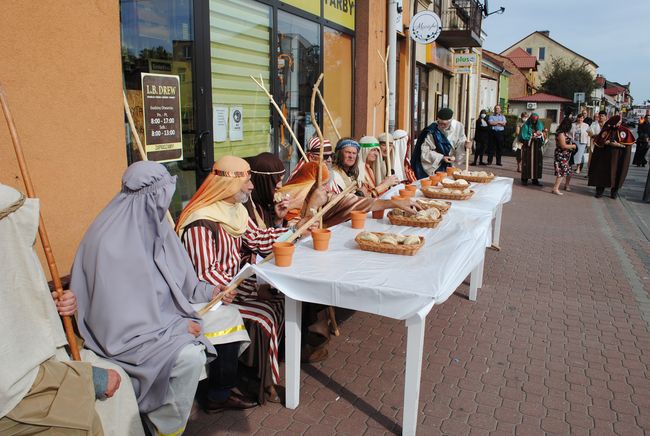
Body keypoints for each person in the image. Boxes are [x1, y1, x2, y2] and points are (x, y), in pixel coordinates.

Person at [71, 161, 254, 435]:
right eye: (161, 199)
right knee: (190, 356)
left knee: (228, 315)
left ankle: (217, 393)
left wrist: (210, 292)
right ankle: (166, 426)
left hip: (164, 318)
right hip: (128, 337)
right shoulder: (108, 243)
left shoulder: (156, 226)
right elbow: (118, 319)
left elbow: (182, 281)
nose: (164, 207)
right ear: (148, 198)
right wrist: (178, 328)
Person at [176, 156, 324, 404]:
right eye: (246, 180)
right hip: (212, 299)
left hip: (236, 287)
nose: (251, 186)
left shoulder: (235, 211)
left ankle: (259, 376)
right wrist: (253, 289)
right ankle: (234, 388)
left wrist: (294, 232)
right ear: (227, 185)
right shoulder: (201, 222)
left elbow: (258, 239)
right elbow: (205, 276)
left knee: (280, 303)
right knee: (264, 317)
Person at [0, 184, 144, 436]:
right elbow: (13, 374)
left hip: (54, 360)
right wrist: (90, 379)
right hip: (27, 394)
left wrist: (55, 307)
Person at [411, 108, 472, 178]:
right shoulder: (432, 130)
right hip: (435, 165)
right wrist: (442, 157)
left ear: (450, 121)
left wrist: (465, 145)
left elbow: (461, 142)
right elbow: (425, 151)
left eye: (444, 124)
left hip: (450, 164)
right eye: (440, 123)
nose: (442, 125)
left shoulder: (459, 127)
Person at [588, 114, 636, 198]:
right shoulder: (606, 129)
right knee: (602, 173)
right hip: (605, 157)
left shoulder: (624, 131)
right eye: (616, 122)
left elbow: (628, 145)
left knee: (617, 173)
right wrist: (606, 142)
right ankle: (599, 191)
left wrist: (618, 145)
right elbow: (599, 141)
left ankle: (614, 191)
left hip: (618, 158)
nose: (618, 123)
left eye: (619, 122)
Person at [519, 113, 546, 186]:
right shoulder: (526, 125)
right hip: (528, 147)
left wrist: (541, 134)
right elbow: (522, 136)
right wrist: (531, 137)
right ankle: (525, 179)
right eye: (533, 120)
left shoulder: (540, 124)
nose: (534, 121)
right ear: (530, 119)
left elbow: (543, 133)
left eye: (536, 120)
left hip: (537, 147)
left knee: (537, 163)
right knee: (527, 163)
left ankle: (535, 179)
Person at [552, 117, 577, 195]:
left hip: (565, 156)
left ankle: (557, 187)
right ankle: (555, 188)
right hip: (561, 155)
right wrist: (573, 146)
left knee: (565, 171)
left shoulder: (564, 133)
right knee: (561, 171)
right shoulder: (561, 133)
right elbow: (563, 145)